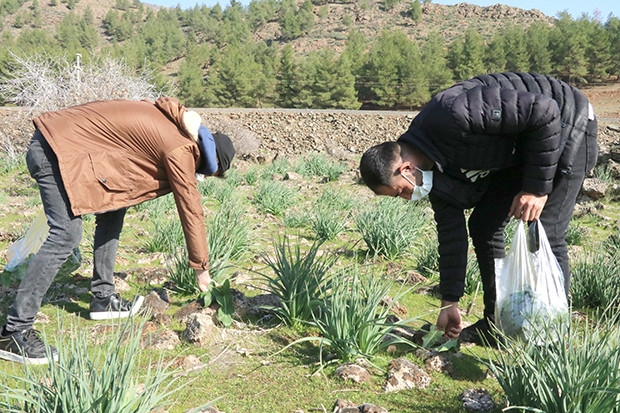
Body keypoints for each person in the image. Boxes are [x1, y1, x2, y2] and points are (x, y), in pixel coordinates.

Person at [359, 72, 598, 345]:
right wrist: (449, 302)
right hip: (523, 149)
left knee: (546, 230)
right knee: (484, 225)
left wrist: (536, 189)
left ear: (405, 169)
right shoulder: (432, 169)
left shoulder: (453, 114)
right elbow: (451, 236)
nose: (406, 198)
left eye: (401, 191)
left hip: (567, 123)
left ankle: (553, 338)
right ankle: (496, 323)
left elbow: (543, 111)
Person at [0, 97, 235, 364]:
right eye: (206, 174)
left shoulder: (175, 126)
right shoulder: (181, 148)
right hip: (54, 151)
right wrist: (202, 271)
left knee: (115, 207)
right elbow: (191, 210)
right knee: (66, 234)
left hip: (59, 145)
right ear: (209, 162)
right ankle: (14, 331)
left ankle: (103, 298)